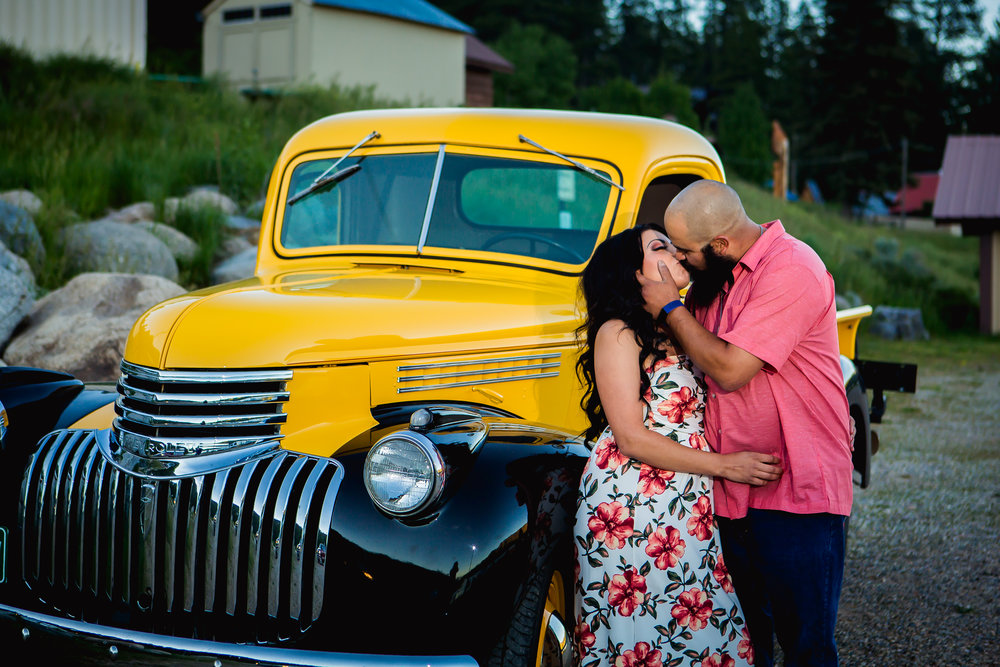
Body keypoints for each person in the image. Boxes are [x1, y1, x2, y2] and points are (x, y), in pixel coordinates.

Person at [635, 179, 854, 667]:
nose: (681, 260)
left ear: (720, 245)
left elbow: (731, 369)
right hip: (731, 493)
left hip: (797, 494)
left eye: (686, 251)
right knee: (742, 645)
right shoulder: (713, 281)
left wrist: (669, 306)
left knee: (806, 647)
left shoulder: (792, 268)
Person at [573, 223, 783, 666]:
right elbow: (629, 436)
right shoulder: (617, 332)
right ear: (634, 272)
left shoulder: (681, 327)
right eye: (659, 247)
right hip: (630, 506)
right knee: (645, 636)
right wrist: (726, 466)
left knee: (700, 628)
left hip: (687, 501)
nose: (676, 253)